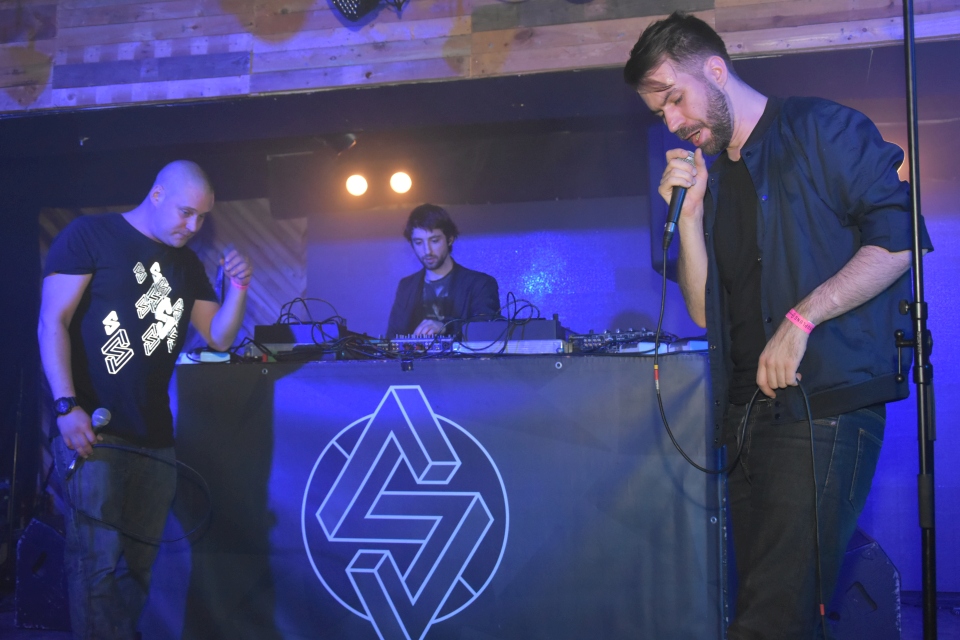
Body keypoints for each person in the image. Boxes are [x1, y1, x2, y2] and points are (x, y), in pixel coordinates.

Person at [624, 12, 932, 640]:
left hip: (823, 407)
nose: (673, 122)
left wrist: (802, 317)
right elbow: (705, 312)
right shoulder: (714, 178)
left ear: (715, 70)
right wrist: (690, 219)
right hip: (745, 419)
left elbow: (900, 240)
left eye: (675, 98)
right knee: (778, 613)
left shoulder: (822, 128)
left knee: (770, 619)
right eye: (659, 112)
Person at [37, 160, 253, 639]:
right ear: (156, 194)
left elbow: (219, 337)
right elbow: (52, 321)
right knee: (94, 566)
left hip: (154, 437)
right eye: (185, 212)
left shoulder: (187, 264)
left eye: (202, 217)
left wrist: (238, 288)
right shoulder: (90, 236)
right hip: (94, 432)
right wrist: (65, 406)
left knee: (137, 569)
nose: (193, 226)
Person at [386, 204, 500, 337]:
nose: (427, 251)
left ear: (450, 239)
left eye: (434, 241)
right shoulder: (406, 286)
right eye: (418, 242)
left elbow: (487, 330)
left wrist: (446, 326)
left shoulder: (480, 283)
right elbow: (393, 337)